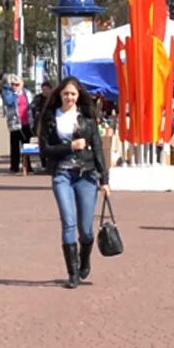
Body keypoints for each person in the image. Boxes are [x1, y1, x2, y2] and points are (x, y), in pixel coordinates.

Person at [37, 76, 107, 288]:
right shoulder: (50, 117)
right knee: (68, 222)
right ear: (60, 94)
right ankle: (73, 273)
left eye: (73, 94)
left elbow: (97, 148)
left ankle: (84, 258)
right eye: (66, 93)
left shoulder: (86, 117)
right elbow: (45, 150)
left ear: (78, 96)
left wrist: (104, 179)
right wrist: (70, 147)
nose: (69, 97)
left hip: (85, 175)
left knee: (85, 228)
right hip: (62, 175)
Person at [2, 73, 32, 175]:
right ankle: (14, 167)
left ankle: (27, 166)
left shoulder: (27, 93)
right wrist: (15, 94)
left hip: (26, 122)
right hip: (15, 123)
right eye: (13, 84)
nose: (14, 86)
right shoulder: (8, 93)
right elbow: (8, 102)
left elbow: (31, 105)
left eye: (17, 84)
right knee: (15, 146)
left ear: (21, 84)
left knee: (26, 145)